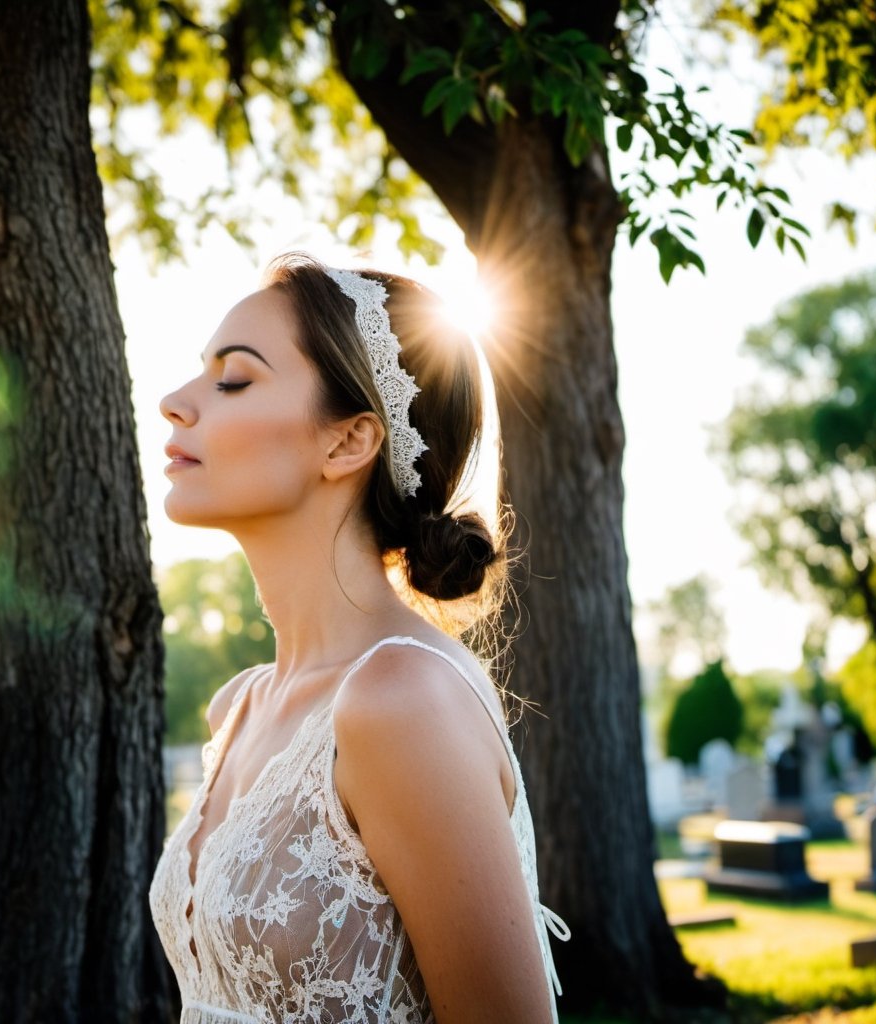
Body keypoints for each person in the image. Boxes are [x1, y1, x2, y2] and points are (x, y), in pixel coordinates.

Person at [148, 252, 569, 1023]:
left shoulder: (403, 701)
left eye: (233, 379)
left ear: (347, 443)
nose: (175, 402)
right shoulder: (238, 707)